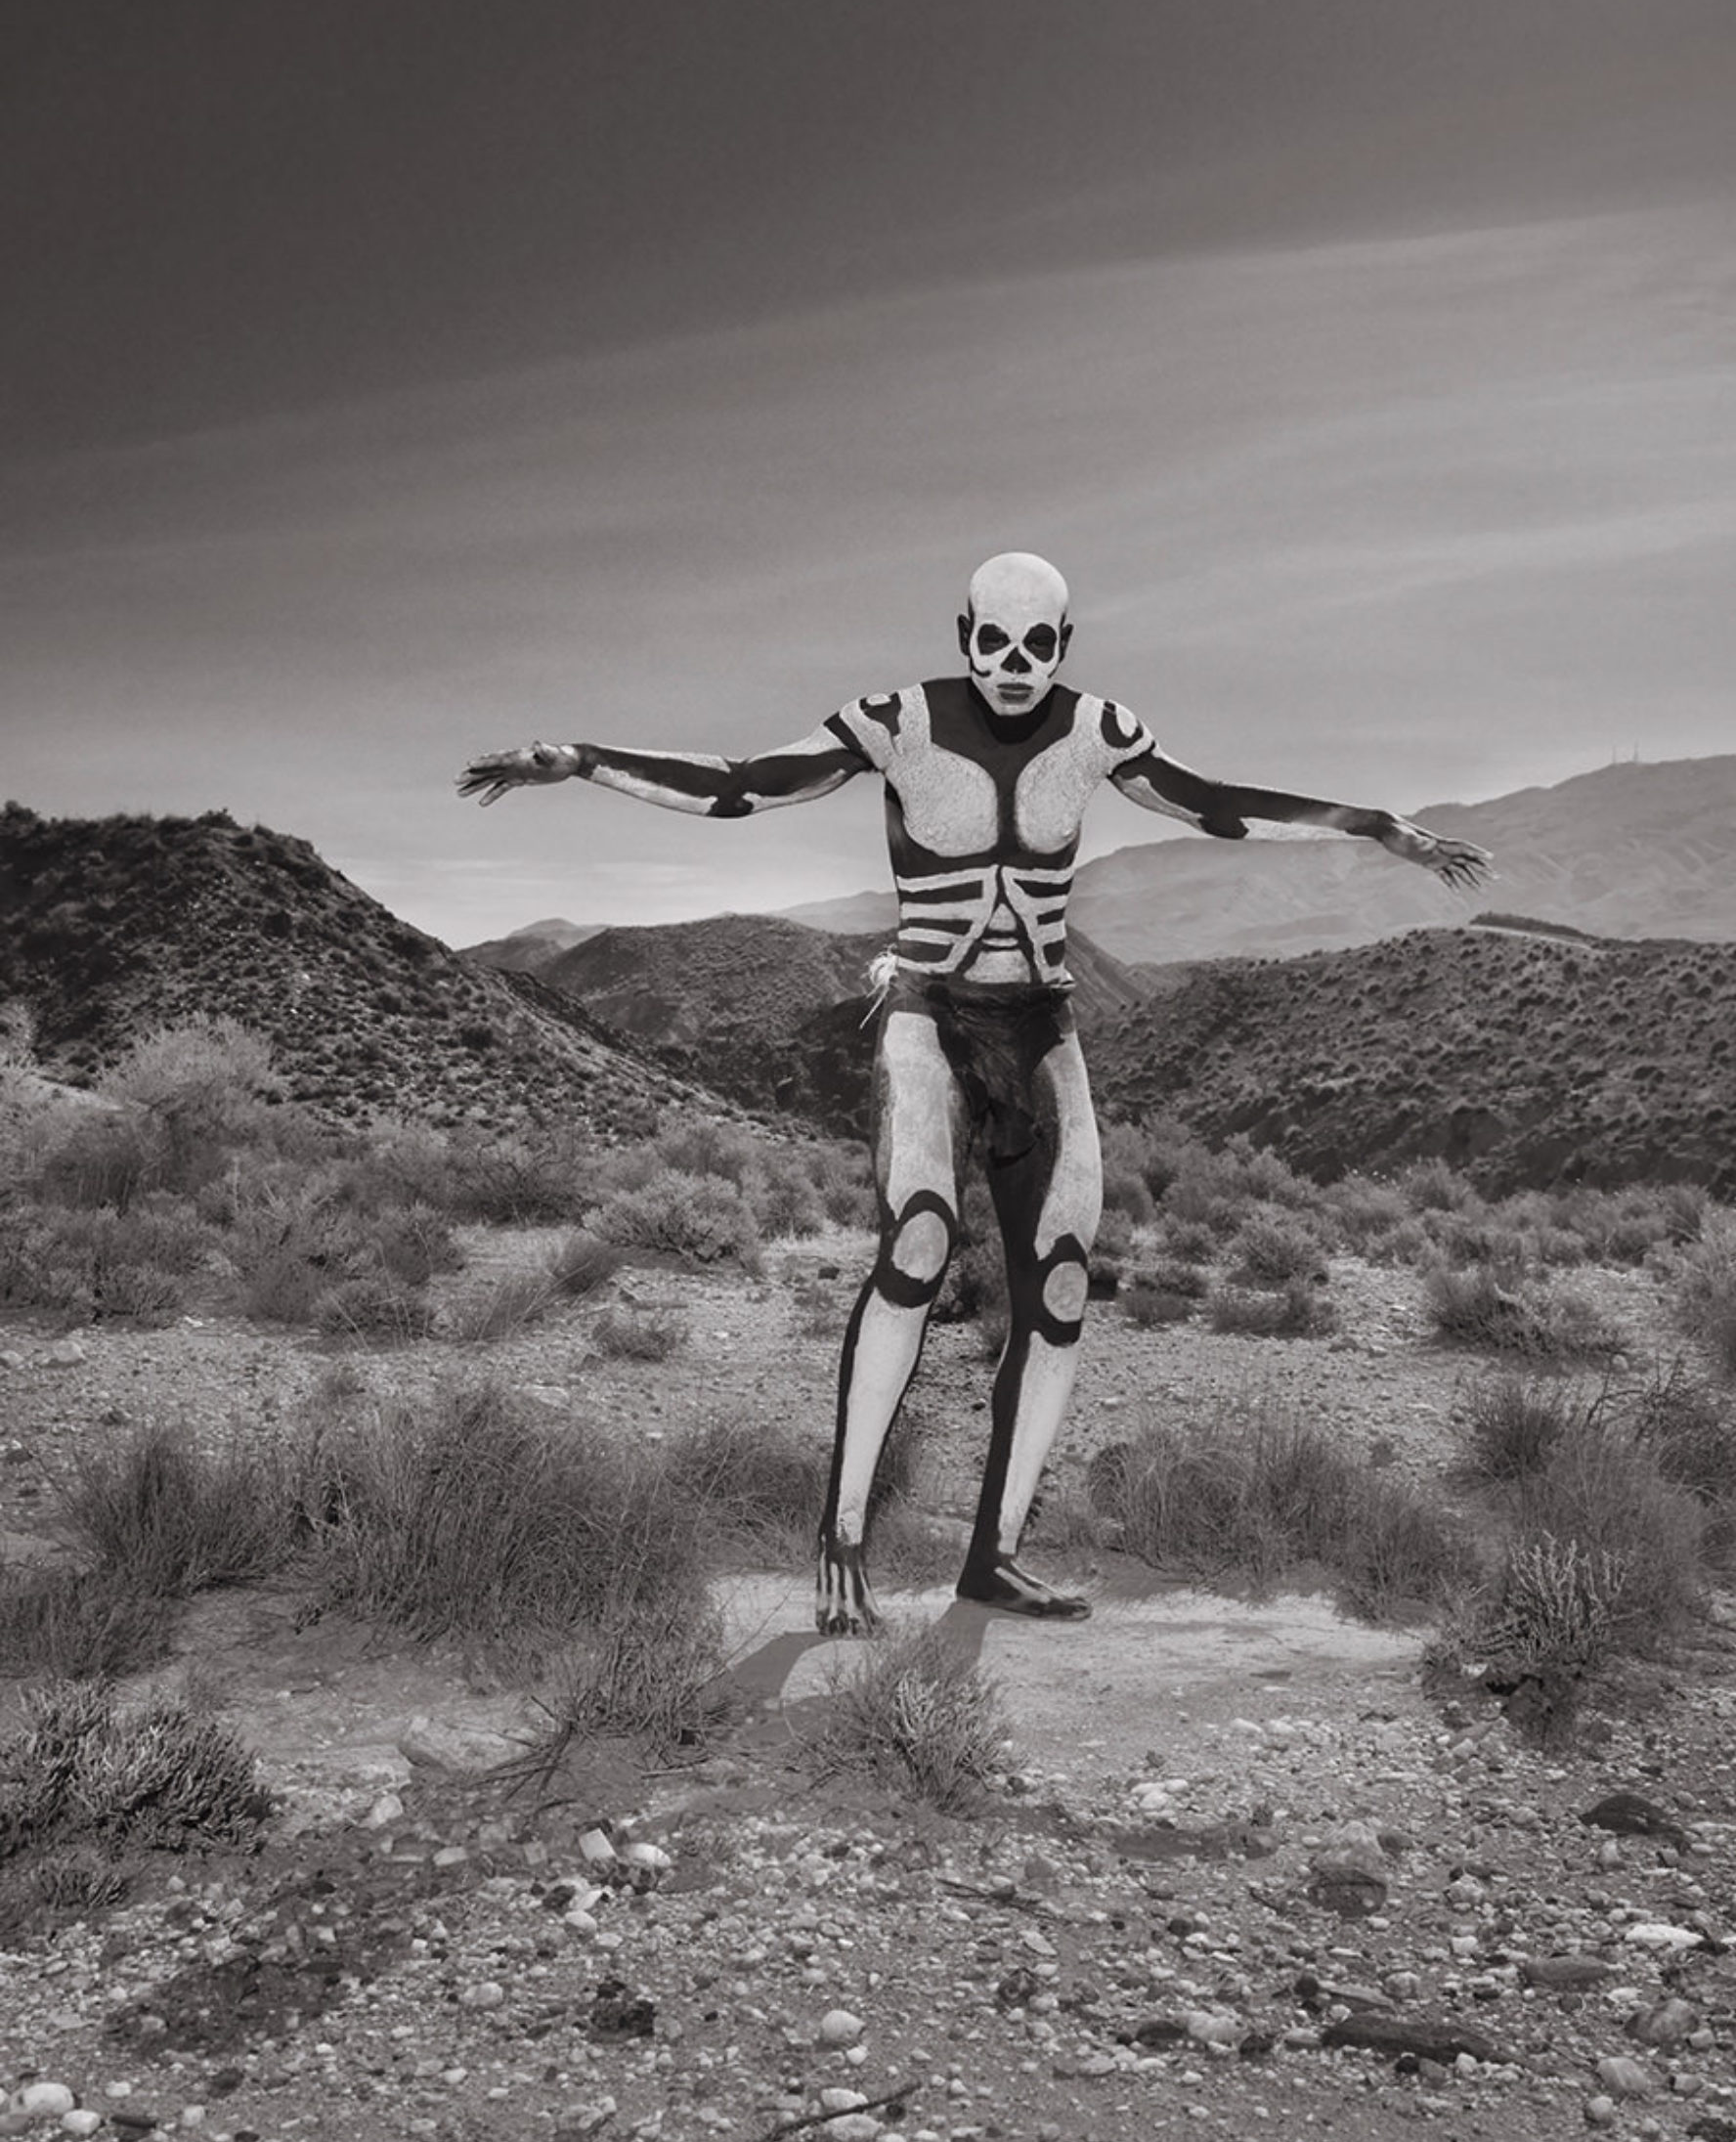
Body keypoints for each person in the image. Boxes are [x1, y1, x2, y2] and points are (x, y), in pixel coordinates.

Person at [458, 551, 1490, 1635]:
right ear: (965, 636)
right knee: (916, 1244)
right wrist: (582, 761)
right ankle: (842, 1535)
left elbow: (1216, 807)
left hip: (1040, 1022)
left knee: (1061, 1283)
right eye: (993, 640)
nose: (1013, 663)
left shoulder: (1097, 731)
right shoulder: (896, 722)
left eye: (1037, 644)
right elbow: (742, 784)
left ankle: (992, 1558)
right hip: (928, 1012)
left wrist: (1373, 824)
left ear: (1063, 646)